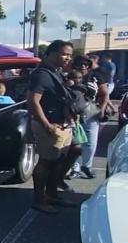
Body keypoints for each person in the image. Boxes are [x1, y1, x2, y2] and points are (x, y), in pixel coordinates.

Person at [27, 40, 76, 214]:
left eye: (70, 55)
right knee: (46, 163)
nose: (67, 58)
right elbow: (33, 102)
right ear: (50, 54)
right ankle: (39, 200)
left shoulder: (57, 73)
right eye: (64, 54)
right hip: (47, 125)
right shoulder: (42, 74)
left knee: (59, 161)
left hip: (62, 124)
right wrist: (46, 124)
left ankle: (52, 195)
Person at [69, 55, 110, 179]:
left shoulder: (96, 76)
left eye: (86, 64)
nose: (83, 66)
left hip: (90, 109)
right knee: (74, 141)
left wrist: (102, 109)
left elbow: (104, 94)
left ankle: (86, 166)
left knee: (90, 141)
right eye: (80, 63)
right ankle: (73, 167)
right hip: (72, 111)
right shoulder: (69, 75)